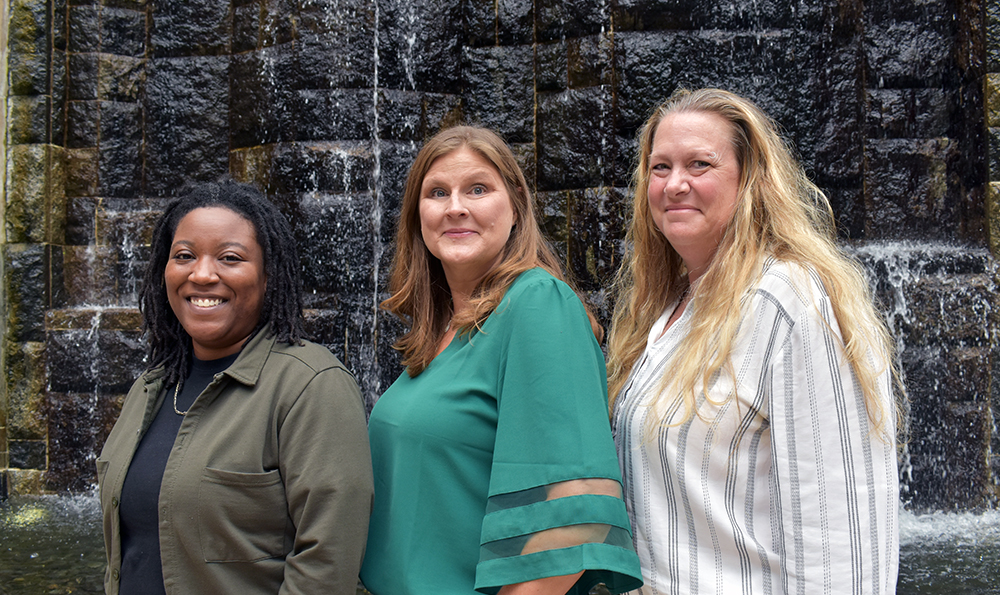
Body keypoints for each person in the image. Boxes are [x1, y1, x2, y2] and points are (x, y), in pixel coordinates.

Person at [606, 89, 900, 594]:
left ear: (750, 180)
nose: (675, 184)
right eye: (660, 167)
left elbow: (841, 535)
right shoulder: (665, 311)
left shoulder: (788, 301)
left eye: (700, 164)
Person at [361, 126, 642, 595]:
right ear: (418, 216)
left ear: (515, 205)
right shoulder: (441, 334)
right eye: (437, 193)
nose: (455, 207)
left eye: (477, 188)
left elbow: (574, 511)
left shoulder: (537, 304)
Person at [97, 181, 373, 595]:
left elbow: (326, 565)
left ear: (268, 276)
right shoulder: (152, 385)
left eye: (230, 258)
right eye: (184, 256)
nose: (202, 274)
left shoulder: (310, 385)